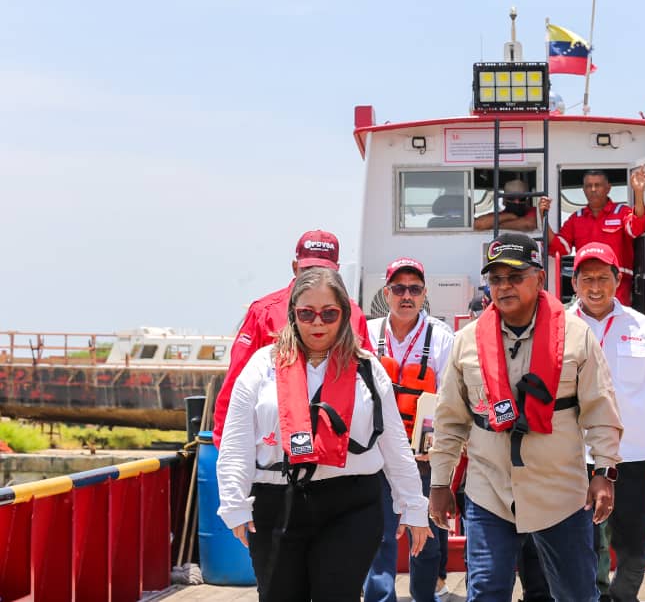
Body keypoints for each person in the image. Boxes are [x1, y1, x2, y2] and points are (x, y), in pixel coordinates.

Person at [428, 232, 623, 602]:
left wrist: (604, 473)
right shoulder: (466, 342)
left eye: (515, 277)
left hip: (560, 494)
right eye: (496, 278)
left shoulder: (577, 336)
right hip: (490, 491)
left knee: (577, 594)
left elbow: (600, 411)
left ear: (539, 278)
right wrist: (440, 484)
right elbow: (450, 420)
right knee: (485, 590)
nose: (504, 286)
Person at [216, 267, 431, 602]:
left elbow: (394, 445)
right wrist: (234, 505)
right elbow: (236, 442)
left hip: (351, 507)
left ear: (344, 314)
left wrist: (414, 507)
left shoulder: (368, 369)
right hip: (277, 505)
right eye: (306, 313)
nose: (318, 323)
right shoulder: (262, 366)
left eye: (329, 314)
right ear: (293, 314)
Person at [569, 242, 645, 602]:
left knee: (634, 545)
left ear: (618, 281)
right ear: (574, 284)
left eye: (602, 278)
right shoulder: (558, 329)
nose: (594, 288)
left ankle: (623, 596)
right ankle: (594, 596)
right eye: (586, 279)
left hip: (634, 457)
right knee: (586, 541)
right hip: (575, 457)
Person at [212, 229, 373, 447]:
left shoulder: (353, 315)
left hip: (336, 446)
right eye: (308, 270)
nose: (314, 277)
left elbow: (370, 383)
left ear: (337, 273)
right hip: (276, 447)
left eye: (323, 270)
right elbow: (235, 384)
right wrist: (224, 445)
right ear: (295, 267)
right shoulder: (264, 312)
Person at [364, 257, 455, 602]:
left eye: (414, 289)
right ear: (386, 293)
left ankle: (424, 596)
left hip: (425, 458)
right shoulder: (367, 335)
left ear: (424, 294)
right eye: (399, 288)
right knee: (380, 538)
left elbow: (450, 398)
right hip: (377, 456)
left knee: (427, 540)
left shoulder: (443, 338)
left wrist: (439, 449)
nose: (406, 296)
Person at [538, 168, 645, 306]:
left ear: (608, 188)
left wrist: (638, 192)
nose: (593, 189)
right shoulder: (576, 218)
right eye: (589, 186)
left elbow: (636, 229)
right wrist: (543, 217)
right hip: (586, 285)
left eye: (598, 185)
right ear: (583, 189)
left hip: (618, 286)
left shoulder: (622, 212)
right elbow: (558, 247)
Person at [474, 179, 538, 232]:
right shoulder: (497, 215)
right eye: (512, 198)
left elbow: (528, 225)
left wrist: (493, 225)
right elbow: (479, 225)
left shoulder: (534, 211)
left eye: (522, 199)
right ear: (504, 200)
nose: (517, 202)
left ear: (527, 201)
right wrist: (510, 216)